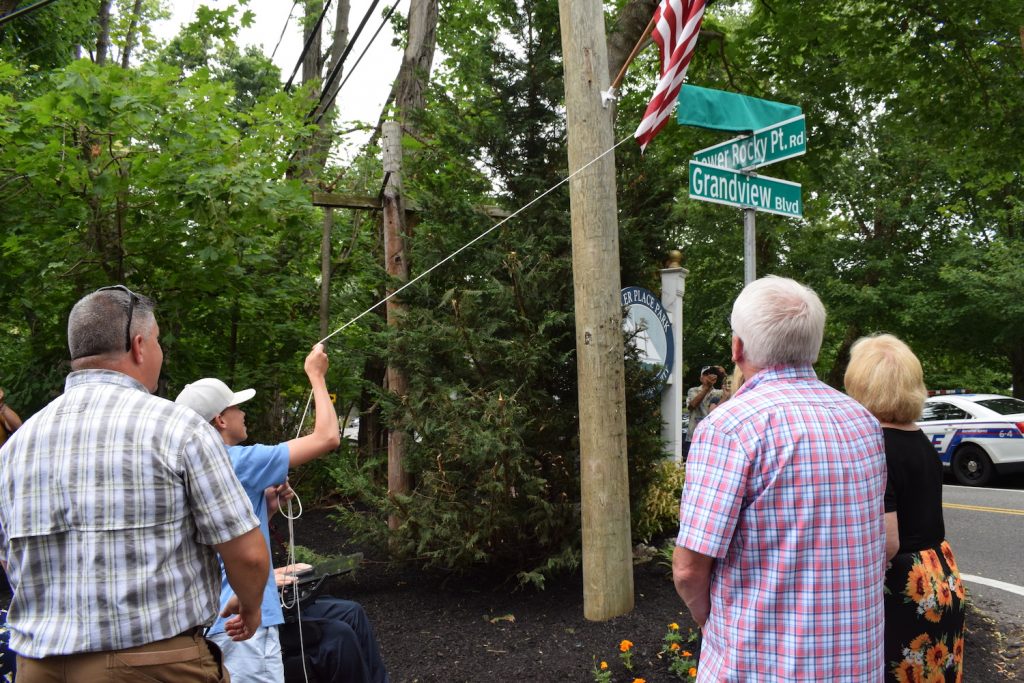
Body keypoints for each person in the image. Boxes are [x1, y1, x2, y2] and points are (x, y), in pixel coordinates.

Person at [0, 285, 269, 681]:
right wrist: (251, 606)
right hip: (153, 666)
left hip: (37, 667)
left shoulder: (16, 446)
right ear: (139, 345)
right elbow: (248, 555)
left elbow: (9, 560)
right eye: (158, 341)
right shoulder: (180, 429)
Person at [673, 276, 887, 681]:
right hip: (856, 661)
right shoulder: (862, 420)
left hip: (762, 664)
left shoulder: (731, 427)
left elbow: (688, 570)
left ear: (738, 348)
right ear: (815, 345)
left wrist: (710, 624)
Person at [175, 344, 389, 683]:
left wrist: (269, 506)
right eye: (237, 408)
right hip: (242, 620)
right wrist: (316, 376)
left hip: (214, 618)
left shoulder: (193, 466)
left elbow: (225, 535)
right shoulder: (239, 461)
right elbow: (328, 437)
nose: (243, 414)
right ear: (220, 419)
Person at [844, 334, 966, 683]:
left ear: (860, 384)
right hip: (941, 574)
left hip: (904, 587)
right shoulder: (919, 438)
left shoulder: (875, 445)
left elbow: (888, 541)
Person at [682, 365, 723, 460]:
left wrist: (724, 375)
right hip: (693, 437)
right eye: (706, 374)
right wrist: (706, 388)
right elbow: (692, 405)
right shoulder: (693, 390)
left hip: (712, 438)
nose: (709, 376)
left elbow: (734, 390)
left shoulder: (720, 393)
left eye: (712, 374)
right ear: (701, 378)